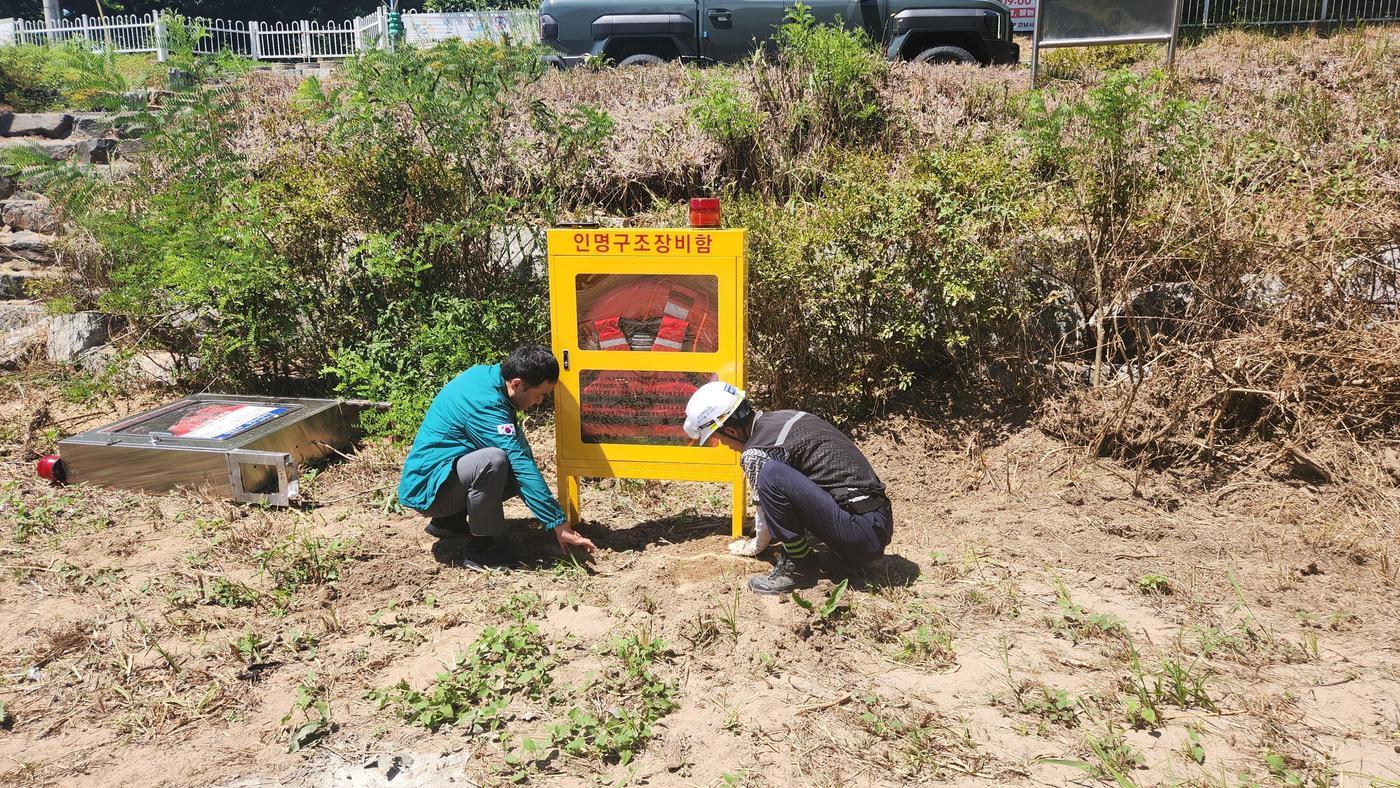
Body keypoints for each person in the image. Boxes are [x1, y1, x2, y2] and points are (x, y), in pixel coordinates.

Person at [683, 382, 893, 594]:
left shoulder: (756, 451)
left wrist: (756, 546)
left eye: (719, 439)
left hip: (859, 533)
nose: (726, 446)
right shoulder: (786, 418)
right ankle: (844, 554)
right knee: (777, 474)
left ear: (731, 430)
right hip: (876, 522)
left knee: (771, 474)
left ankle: (800, 566)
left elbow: (764, 516)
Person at [397, 345, 596, 563]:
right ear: (517, 384)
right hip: (428, 490)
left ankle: (449, 523)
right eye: (539, 395)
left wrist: (548, 512)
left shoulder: (490, 379)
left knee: (509, 466)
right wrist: (559, 524)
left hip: (444, 478)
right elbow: (519, 464)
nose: (539, 402)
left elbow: (522, 454)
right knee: (494, 462)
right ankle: (481, 551)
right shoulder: (484, 404)